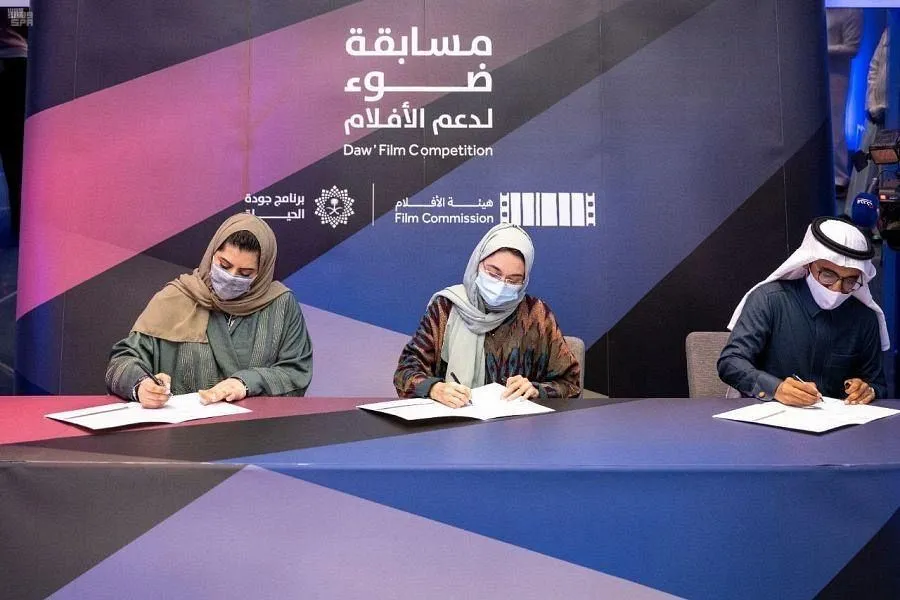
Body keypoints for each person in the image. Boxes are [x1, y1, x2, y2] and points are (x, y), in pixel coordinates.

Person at [106, 213, 313, 406]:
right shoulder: (175, 298)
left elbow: (296, 373)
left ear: (263, 272)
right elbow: (121, 362)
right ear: (211, 255)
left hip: (254, 430)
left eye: (245, 273)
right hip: (181, 430)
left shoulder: (280, 305)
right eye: (224, 265)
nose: (231, 276)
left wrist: (246, 383)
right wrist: (142, 385)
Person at [394, 223, 581, 405]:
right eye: (493, 273)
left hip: (518, 423)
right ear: (477, 264)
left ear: (524, 281)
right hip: (453, 420)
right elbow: (405, 372)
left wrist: (536, 390)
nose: (501, 285)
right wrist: (434, 388)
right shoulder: (446, 307)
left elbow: (570, 384)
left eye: (513, 280)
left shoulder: (537, 315)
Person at [718, 217, 888, 407]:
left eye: (850, 281)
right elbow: (730, 362)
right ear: (808, 264)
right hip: (771, 416)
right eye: (828, 275)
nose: (837, 289)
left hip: (838, 421)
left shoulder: (864, 318)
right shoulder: (769, 300)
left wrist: (867, 390)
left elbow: (878, 384)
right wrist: (776, 388)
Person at [826, 8, 863, 202]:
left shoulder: (851, 10)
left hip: (836, 75)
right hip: (816, 70)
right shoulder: (820, 10)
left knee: (835, 124)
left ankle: (839, 176)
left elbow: (852, 47)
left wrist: (822, 48)